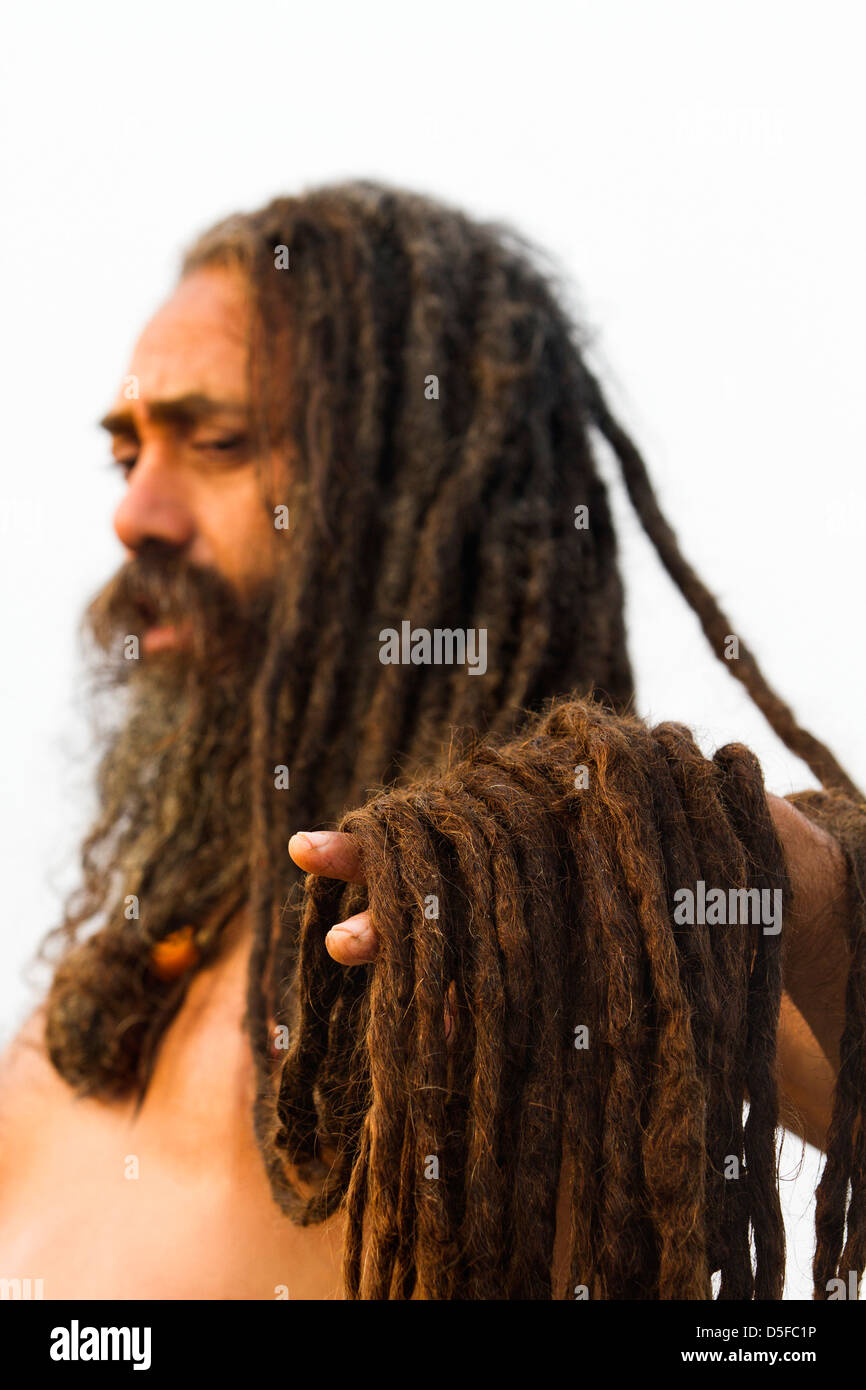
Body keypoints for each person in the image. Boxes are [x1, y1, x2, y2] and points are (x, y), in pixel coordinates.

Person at [0, 182, 855, 1299]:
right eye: (128, 455)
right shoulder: (86, 1028)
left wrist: (815, 898)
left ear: (408, 477)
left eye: (214, 441)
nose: (136, 514)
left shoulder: (615, 931)